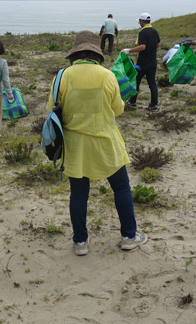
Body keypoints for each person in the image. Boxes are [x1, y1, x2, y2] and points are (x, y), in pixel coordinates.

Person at [47, 31, 147, 256]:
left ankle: (80, 242)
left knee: (79, 193)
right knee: (121, 187)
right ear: (96, 53)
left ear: (75, 53)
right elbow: (118, 109)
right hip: (105, 141)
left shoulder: (61, 77)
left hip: (75, 145)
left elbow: (51, 111)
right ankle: (129, 236)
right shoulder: (107, 75)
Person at [121, 12, 161, 110]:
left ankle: (133, 101)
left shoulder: (143, 32)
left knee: (136, 81)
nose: (139, 23)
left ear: (142, 21)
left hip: (143, 62)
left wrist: (129, 50)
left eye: (139, 21)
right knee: (152, 84)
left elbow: (142, 47)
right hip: (153, 61)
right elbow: (158, 44)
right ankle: (154, 104)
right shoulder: (154, 31)